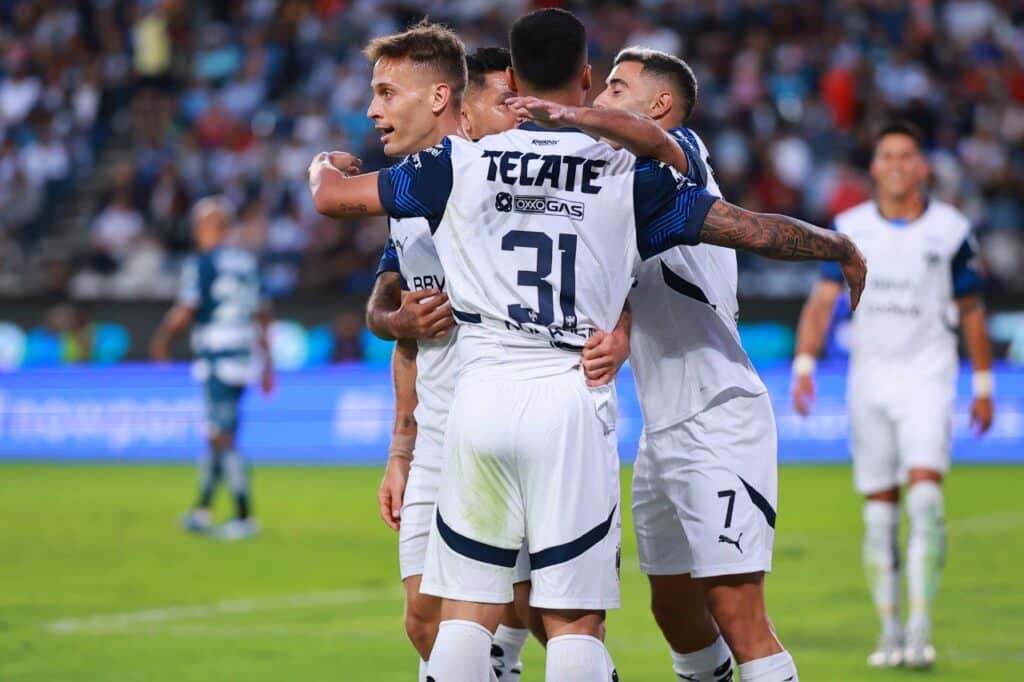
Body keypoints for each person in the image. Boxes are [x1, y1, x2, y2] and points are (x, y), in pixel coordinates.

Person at [308, 9, 865, 680]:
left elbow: (334, 197)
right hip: (571, 395)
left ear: (509, 76)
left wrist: (322, 165)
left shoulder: (454, 162)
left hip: (479, 399)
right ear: (586, 75)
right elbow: (747, 228)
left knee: (465, 611)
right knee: (573, 621)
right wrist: (834, 245)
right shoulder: (630, 174)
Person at [509, 45, 799, 681]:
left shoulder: (681, 153)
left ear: (660, 104)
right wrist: (620, 327)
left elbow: (646, 152)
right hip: (661, 430)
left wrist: (567, 114)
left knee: (736, 610)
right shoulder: (618, 191)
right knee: (673, 609)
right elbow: (629, 277)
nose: (602, 96)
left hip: (719, 415)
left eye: (617, 86)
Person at [359, 34, 537, 681]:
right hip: (435, 434)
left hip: (506, 421)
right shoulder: (410, 195)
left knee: (544, 614)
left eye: (385, 94)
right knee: (426, 619)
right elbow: (392, 316)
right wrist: (399, 450)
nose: (373, 111)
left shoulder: (503, 192)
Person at [792, 121, 994, 669]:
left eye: (908, 155)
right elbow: (820, 301)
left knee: (925, 504)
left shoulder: (951, 231)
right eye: (888, 156)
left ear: (922, 167)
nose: (899, 165)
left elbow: (972, 311)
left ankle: (922, 630)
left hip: (928, 378)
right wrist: (805, 364)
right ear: (875, 167)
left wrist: (981, 384)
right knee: (880, 517)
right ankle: (890, 632)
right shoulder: (850, 227)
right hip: (868, 381)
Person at [151, 196, 273, 541]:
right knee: (217, 434)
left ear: (210, 227)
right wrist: (268, 365)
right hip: (244, 355)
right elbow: (262, 313)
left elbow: (187, 308)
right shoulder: (247, 263)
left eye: (199, 226)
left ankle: (243, 515)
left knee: (222, 435)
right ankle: (202, 510)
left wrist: (162, 340)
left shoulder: (204, 263)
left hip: (217, 354)